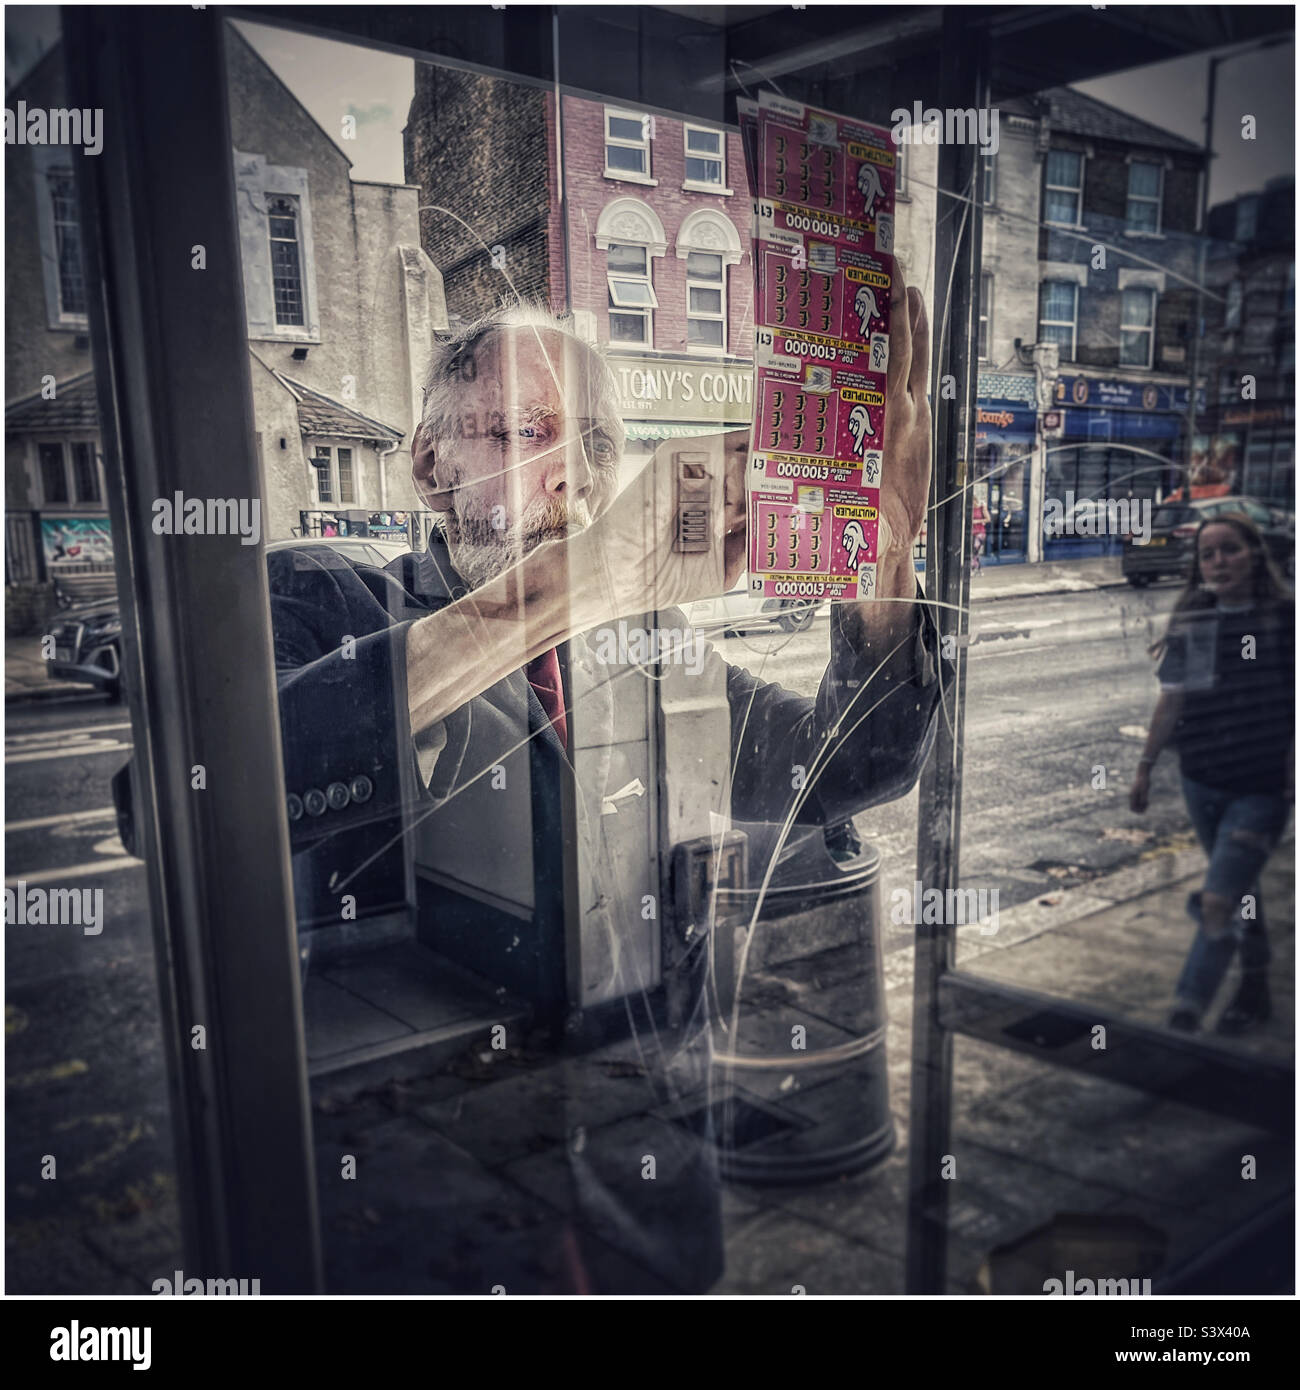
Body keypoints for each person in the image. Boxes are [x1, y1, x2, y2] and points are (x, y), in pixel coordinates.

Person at [115, 268, 946, 1292]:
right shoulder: (326, 599)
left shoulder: (641, 643)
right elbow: (174, 802)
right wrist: (576, 586)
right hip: (420, 1196)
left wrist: (886, 566)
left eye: (595, 443)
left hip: (642, 1191)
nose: (572, 477)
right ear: (428, 466)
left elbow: (848, 763)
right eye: (523, 433)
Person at [1130, 513, 1294, 1034]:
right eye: (1208, 554)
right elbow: (1171, 702)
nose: (1219, 562)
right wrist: (1145, 768)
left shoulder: (1285, 620)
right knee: (1237, 884)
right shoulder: (1197, 622)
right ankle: (1255, 980)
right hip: (1202, 780)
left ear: (1254, 555)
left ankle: (1187, 1009)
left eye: (1229, 550)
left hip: (1262, 787)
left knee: (1221, 897)